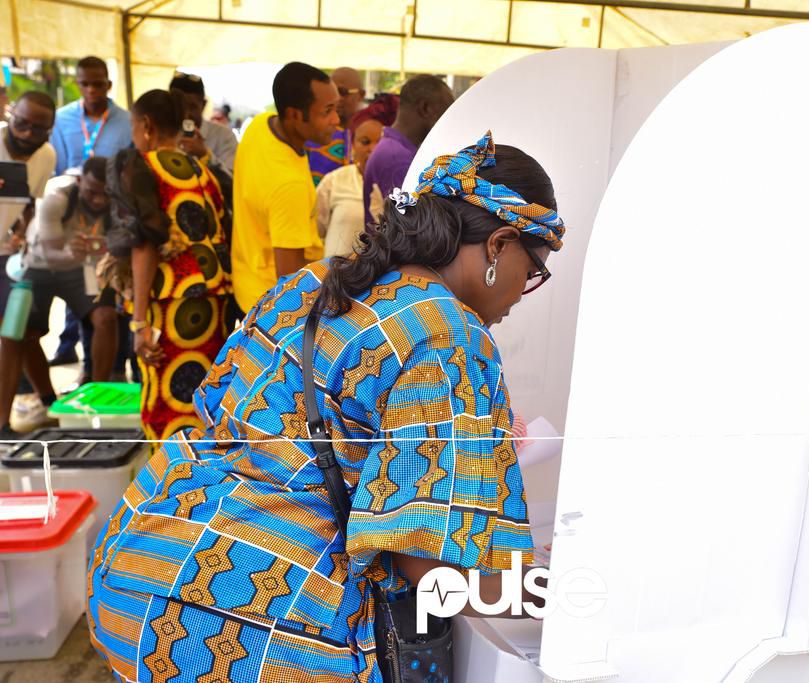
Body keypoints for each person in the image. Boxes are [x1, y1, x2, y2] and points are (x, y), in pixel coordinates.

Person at [87, 131, 563, 681]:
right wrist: (568, 590)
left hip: (137, 564)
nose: (520, 295)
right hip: (258, 627)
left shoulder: (317, 279)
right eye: (532, 273)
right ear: (500, 244)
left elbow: (225, 413)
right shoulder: (448, 332)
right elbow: (430, 567)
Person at [105, 89, 231, 442]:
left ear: (146, 125)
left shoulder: (140, 167)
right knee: (202, 400)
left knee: (166, 404)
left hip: (169, 302)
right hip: (213, 303)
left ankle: (166, 486)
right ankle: (200, 483)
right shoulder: (204, 172)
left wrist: (140, 321)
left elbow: (143, 244)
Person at [0, 158, 120, 433]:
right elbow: (50, 253)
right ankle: (34, 406)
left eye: (105, 192)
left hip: (84, 268)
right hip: (40, 264)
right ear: (80, 182)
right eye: (92, 192)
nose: (99, 200)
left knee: (106, 318)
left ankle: (97, 402)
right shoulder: (56, 196)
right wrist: (70, 253)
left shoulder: (117, 200)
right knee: (16, 330)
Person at [231, 62, 337, 312]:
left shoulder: (260, 125)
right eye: (327, 111)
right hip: (270, 305)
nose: (336, 120)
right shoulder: (289, 186)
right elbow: (291, 282)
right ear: (294, 114)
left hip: (245, 282)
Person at [49, 56, 133, 368]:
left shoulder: (125, 121)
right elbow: (55, 168)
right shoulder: (62, 119)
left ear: (109, 84)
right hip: (75, 216)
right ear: (78, 83)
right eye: (85, 83)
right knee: (81, 297)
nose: (92, 90)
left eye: (98, 83)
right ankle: (87, 368)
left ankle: (114, 369)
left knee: (112, 295)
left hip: (114, 218)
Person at [0, 92, 57, 437]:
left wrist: (22, 231)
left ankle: (6, 422)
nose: (25, 134)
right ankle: (46, 400)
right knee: (17, 332)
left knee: (17, 329)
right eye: (21, 123)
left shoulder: (46, 155)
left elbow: (31, 202)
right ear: (10, 115)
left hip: (12, 255)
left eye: (37, 129)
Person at [362, 74, 454, 227]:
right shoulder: (396, 158)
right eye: (446, 113)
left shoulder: (395, 150)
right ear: (425, 109)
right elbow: (412, 226)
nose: (449, 122)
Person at [315, 94, 397, 257]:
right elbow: (316, 233)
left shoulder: (399, 184)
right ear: (352, 145)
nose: (373, 149)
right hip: (334, 277)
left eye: (380, 143)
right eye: (365, 142)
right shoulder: (333, 181)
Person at [305, 66, 365, 185]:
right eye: (332, 92)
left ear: (361, 95)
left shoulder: (369, 137)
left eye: (342, 92)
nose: (336, 98)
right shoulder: (312, 136)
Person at [169, 71, 238, 175]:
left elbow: (233, 180)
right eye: (180, 107)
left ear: (204, 104)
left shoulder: (224, 136)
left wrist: (205, 155)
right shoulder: (163, 134)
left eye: (192, 107)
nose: (187, 114)